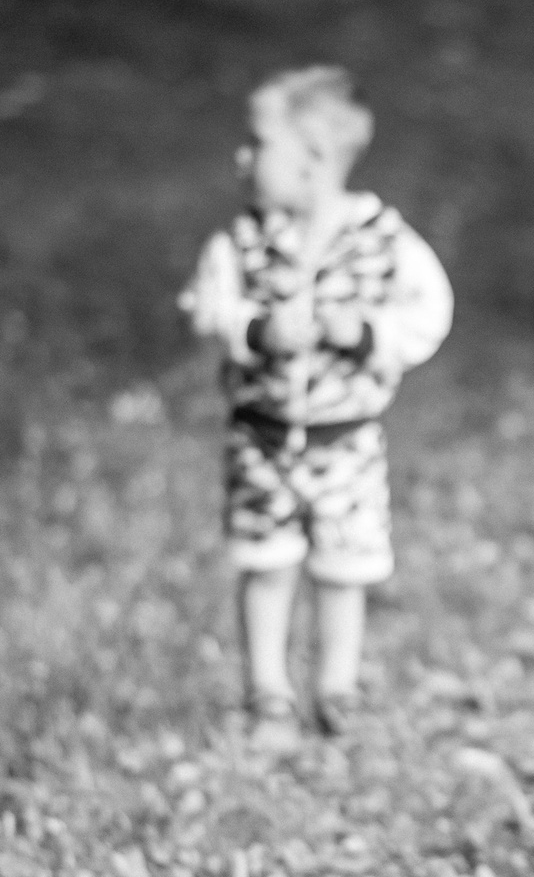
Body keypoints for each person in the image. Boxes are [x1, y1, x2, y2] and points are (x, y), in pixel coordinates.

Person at [180, 67, 454, 753]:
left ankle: (338, 691)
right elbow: (208, 308)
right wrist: (253, 331)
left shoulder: (383, 241)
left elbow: (430, 311)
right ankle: (267, 694)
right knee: (265, 565)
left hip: (346, 444)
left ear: (313, 159)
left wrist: (362, 333)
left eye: (257, 142)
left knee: (343, 572)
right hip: (262, 440)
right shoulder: (241, 244)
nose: (242, 158)